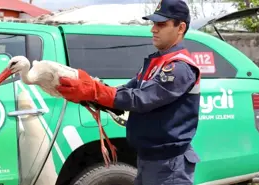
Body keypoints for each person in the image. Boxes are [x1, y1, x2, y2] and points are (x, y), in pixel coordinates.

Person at [56, 0, 201, 184]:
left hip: (169, 163)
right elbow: (125, 91)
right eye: (154, 23)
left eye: (161, 24)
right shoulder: (157, 62)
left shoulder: (179, 67)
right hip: (150, 157)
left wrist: (94, 91)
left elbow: (141, 99)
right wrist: (91, 93)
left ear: (180, 28)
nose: (153, 29)